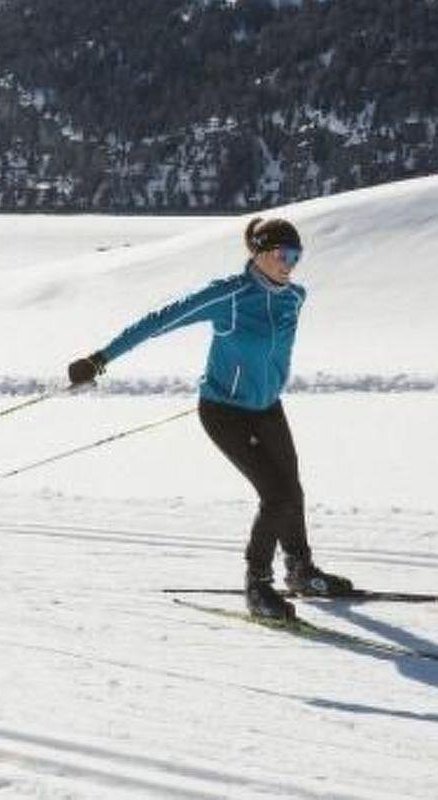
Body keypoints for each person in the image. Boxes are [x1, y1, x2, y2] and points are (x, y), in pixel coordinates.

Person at [66, 216, 356, 621]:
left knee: (292, 490)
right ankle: (257, 586)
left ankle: (301, 570)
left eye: (296, 256)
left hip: (268, 408)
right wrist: (100, 358)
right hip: (225, 413)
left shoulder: (295, 297)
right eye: (282, 255)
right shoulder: (229, 296)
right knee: (275, 495)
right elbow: (162, 319)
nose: (289, 264)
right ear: (259, 254)